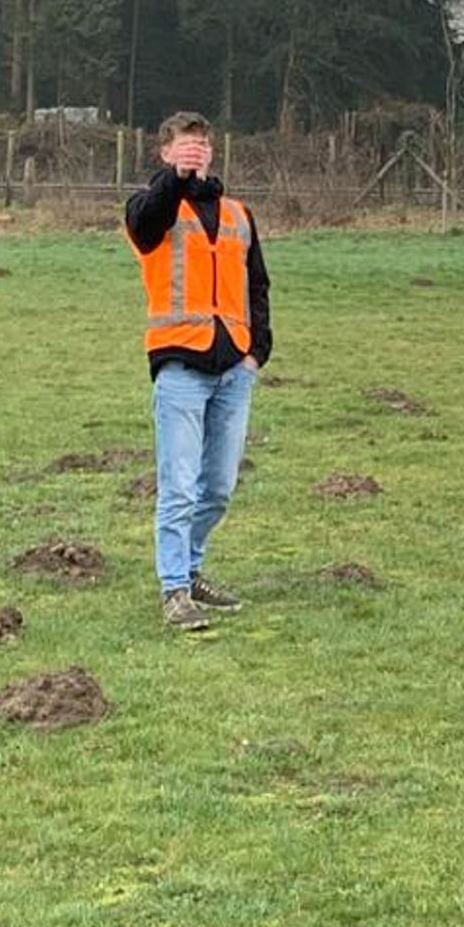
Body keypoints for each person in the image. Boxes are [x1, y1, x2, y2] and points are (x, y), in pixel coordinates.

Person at [125, 111, 272, 631]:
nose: (197, 152)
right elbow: (149, 219)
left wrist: (257, 353)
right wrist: (178, 180)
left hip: (234, 366)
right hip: (180, 365)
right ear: (165, 153)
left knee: (218, 488)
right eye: (186, 146)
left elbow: (258, 287)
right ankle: (174, 591)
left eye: (203, 146)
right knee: (179, 486)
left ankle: (190, 568)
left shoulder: (237, 213)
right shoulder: (151, 208)